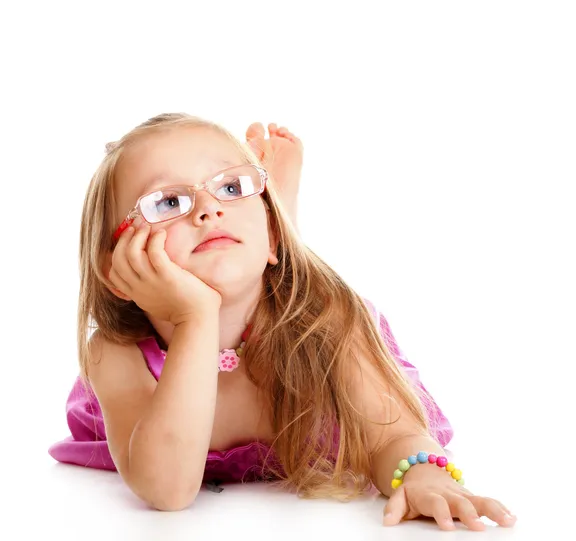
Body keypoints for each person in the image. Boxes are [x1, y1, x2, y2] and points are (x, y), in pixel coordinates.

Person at [48, 113, 517, 531]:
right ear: (117, 272)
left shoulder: (326, 323)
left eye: (231, 189)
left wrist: (421, 473)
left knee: (298, 292)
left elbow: (391, 433)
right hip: (164, 404)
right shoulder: (117, 351)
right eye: (168, 203)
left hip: (287, 320)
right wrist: (195, 318)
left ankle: (278, 216)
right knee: (240, 256)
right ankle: (270, 208)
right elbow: (168, 492)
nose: (208, 209)